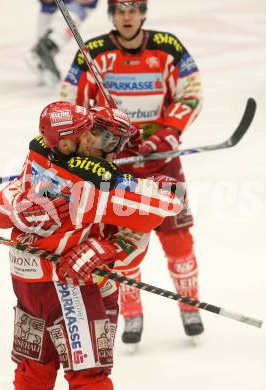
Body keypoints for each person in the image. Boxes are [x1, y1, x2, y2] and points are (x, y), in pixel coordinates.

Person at [0, 101, 182, 389]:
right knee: (89, 378)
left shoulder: (38, 151)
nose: (97, 142)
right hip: (72, 287)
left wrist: (16, 206)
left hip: (26, 281)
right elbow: (163, 206)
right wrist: (158, 183)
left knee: (34, 369)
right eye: (94, 134)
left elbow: (0, 214)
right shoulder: (95, 179)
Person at [59, 0, 204, 346]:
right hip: (114, 169)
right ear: (111, 14)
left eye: (133, 9)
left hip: (164, 162)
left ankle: (190, 304)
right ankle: (131, 310)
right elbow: (70, 102)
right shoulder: (92, 52)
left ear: (143, 13)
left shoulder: (168, 47)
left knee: (178, 237)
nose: (127, 16)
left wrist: (167, 133)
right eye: (120, 10)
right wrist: (98, 144)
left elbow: (191, 92)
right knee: (121, 243)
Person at [25, 0, 99, 85]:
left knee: (67, 21)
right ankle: (44, 50)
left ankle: (46, 48)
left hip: (74, 7)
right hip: (50, 7)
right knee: (45, 38)